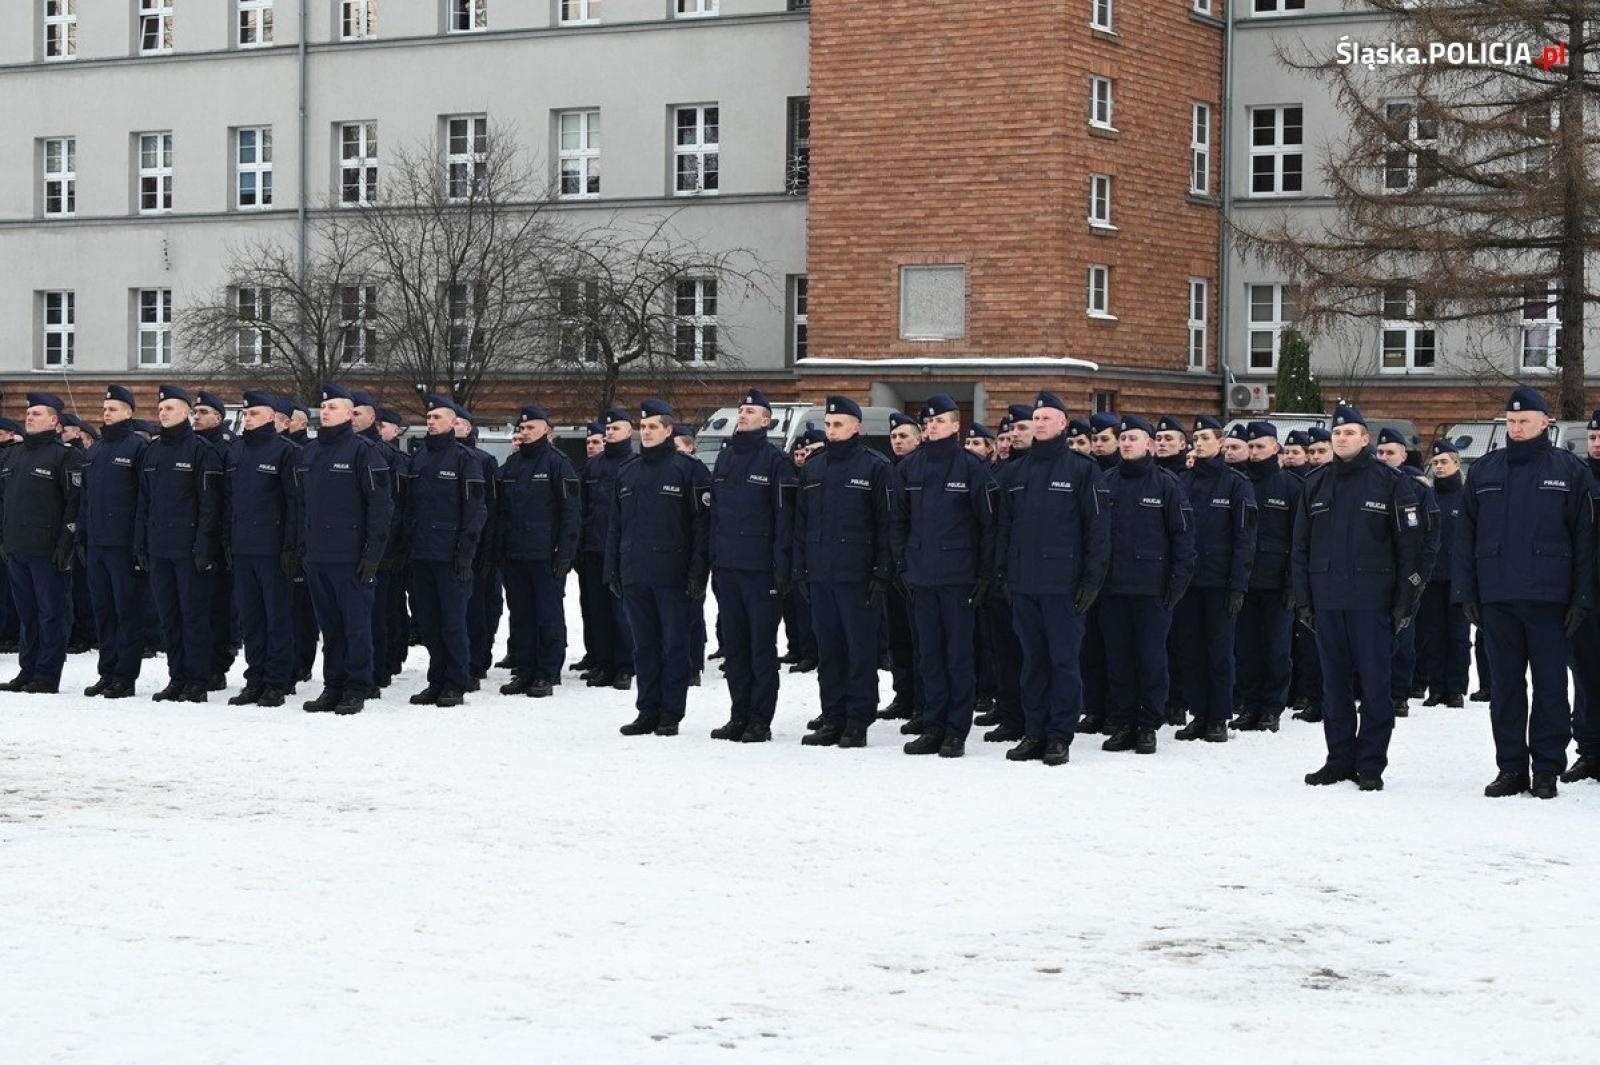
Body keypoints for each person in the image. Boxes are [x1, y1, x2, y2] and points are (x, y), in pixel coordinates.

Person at [1456, 387, 1595, 799]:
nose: (1516, 427)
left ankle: (1546, 769)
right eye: (1511, 421)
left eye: (1524, 421)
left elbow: (1584, 541)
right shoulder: (1484, 470)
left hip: (1550, 601)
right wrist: (1467, 592)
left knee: (1550, 687)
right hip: (1498, 599)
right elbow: (1465, 536)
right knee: (1506, 688)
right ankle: (1511, 767)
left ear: (1544, 422)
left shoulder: (1570, 471)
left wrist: (1581, 598)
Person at [1292, 403, 1422, 791]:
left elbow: (1409, 549)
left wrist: (1404, 602)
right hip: (1328, 602)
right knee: (1334, 688)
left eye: (1350, 433)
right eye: (1337, 433)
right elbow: (1300, 548)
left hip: (1373, 603)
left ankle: (1369, 765)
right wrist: (1304, 601)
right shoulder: (1314, 483)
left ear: (1365, 439)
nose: (1342, 438)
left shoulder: (1391, 482)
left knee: (1376, 688)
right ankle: (1338, 759)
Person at [993, 392, 1111, 764]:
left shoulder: (1082, 469)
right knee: (1032, 663)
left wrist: (1091, 582)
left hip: (1064, 586)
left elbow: (1097, 531)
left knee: (1063, 663)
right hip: (1025, 584)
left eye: (1047, 418)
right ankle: (1034, 731)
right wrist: (1004, 576)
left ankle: (1060, 735)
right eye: (1036, 418)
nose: (1040, 423)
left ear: (1063, 424)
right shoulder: (1015, 471)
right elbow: (1004, 529)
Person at [889, 393, 997, 758]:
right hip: (921, 578)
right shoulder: (909, 468)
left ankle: (956, 729)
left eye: (940, 421)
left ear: (955, 425)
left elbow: (988, 525)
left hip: (959, 579)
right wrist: (904, 565)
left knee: (958, 658)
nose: (932, 426)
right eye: (928, 422)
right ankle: (933, 725)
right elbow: (898, 523)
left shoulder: (971, 468)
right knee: (929, 657)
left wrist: (984, 575)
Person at [607, 398, 711, 737]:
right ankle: (647, 710)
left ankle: (670, 713)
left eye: (653, 426)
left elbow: (702, 528)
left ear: (668, 430)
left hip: (674, 577)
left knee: (674, 646)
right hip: (636, 574)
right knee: (644, 647)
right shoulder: (628, 471)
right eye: (644, 427)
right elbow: (615, 527)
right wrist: (613, 569)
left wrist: (698, 574)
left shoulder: (689, 470)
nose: (646, 432)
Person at [796, 396, 893, 747]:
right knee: (830, 651)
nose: (831, 430)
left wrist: (882, 572)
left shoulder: (875, 467)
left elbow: (887, 524)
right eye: (828, 424)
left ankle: (858, 720)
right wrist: (801, 569)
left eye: (838, 424)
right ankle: (833, 716)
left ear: (857, 427)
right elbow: (801, 524)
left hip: (859, 577)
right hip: (822, 575)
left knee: (859, 652)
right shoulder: (814, 468)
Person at [293, 384, 393, 715]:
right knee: (330, 628)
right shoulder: (309, 452)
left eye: (333, 407)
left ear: (351, 414)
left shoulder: (364, 452)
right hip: (318, 555)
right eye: (323, 407)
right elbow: (302, 506)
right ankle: (333, 685)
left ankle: (357, 687)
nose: (326, 412)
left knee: (356, 626)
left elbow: (380, 507)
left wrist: (372, 555)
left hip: (351, 557)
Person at [1097, 413, 1194, 754]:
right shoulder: (1106, 481)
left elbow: (1183, 539)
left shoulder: (1167, 484)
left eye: (1133, 439)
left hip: (1152, 590)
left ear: (1150, 445)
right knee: (1119, 660)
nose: (1126, 444)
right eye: (1122, 439)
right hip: (1112, 590)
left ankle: (1148, 724)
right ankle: (1124, 722)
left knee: (1151, 661)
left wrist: (1176, 585)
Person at [707, 390, 796, 743]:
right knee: (736, 648)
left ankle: (760, 718)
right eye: (741, 409)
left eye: (751, 411)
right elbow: (716, 516)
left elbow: (784, 520)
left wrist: (780, 568)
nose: (743, 415)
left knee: (761, 648)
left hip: (761, 572)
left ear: (767, 421)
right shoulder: (725, 458)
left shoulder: (776, 461)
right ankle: (738, 713)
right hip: (728, 568)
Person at [136, 385, 223, 703]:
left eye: (170, 408)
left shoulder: (201, 450)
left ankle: (197, 680)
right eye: (160, 409)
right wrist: (141, 544)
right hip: (160, 548)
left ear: (187, 412)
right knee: (169, 617)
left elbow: (209, 505)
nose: (163, 413)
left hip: (189, 550)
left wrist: (204, 547)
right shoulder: (153, 451)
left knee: (194, 617)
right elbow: (143, 503)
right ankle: (177, 677)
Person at [1174, 415, 1257, 742]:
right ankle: (1199, 713)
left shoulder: (1236, 484)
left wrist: (1238, 584)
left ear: (1221, 443)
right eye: (1196, 438)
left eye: (1206, 437)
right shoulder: (1184, 481)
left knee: (1219, 652)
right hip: (1189, 583)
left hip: (1221, 583)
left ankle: (1219, 716)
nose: (1199, 442)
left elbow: (1245, 538)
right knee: (1191, 650)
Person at [402, 396, 486, 708]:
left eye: (438, 417)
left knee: (452, 624)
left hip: (451, 557)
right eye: (429, 417)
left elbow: (475, 510)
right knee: (429, 624)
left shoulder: (465, 459)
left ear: (454, 423)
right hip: (422, 555)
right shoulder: (420, 458)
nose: (431, 421)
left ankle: (455, 682)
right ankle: (436, 680)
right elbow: (410, 508)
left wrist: (466, 552)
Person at [221, 390, 300, 707]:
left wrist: (292, 547)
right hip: (243, 548)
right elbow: (229, 500)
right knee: (251, 620)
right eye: (245, 413)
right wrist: (228, 540)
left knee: (277, 618)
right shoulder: (237, 450)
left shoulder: (286, 452)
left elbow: (295, 504)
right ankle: (255, 679)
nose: (247, 418)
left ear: (271, 417)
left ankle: (277, 681)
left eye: (253, 413)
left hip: (273, 548)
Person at [0, 393, 84, 694]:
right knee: (27, 613)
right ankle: (28, 669)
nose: (29, 417)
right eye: (28, 413)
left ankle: (47, 674)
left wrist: (66, 544)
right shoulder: (11, 455)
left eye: (37, 413)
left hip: (48, 550)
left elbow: (75, 503)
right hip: (17, 547)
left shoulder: (65, 456)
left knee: (51, 613)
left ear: (54, 420)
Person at [495, 403, 580, 699]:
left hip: (546, 556)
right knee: (521, 616)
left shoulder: (557, 463)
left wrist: (565, 554)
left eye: (531, 427)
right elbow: (501, 512)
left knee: (547, 615)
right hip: (515, 555)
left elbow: (571, 513)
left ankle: (546, 672)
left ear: (546, 429)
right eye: (522, 428)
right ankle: (525, 669)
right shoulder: (513, 466)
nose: (526, 432)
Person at [1232, 422, 1302, 732]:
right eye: (1253, 446)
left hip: (1277, 585)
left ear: (1276, 448)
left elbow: (1299, 540)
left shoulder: (1291, 486)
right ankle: (1249, 705)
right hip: (1244, 583)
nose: (1256, 451)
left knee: (1276, 650)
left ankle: (1272, 707)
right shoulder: (1239, 483)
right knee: (1246, 649)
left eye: (1262, 445)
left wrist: (1292, 582)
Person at [79, 386, 148, 699]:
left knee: (126, 612)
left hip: (122, 545)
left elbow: (143, 500)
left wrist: (138, 544)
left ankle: (125, 676)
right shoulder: (94, 450)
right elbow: (85, 499)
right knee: (103, 612)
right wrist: (82, 535)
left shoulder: (137, 448)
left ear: (129, 412)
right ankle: (107, 671)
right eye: (105, 408)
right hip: (97, 544)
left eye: (114, 408)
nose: (107, 413)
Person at [975, 403, 1034, 740]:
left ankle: (1028, 715)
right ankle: (1009, 711)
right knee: (1003, 651)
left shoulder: (1031, 470)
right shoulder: (998, 473)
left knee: (1029, 652)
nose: (1011, 438)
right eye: (1007, 433)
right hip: (998, 576)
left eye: (1018, 431)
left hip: (1027, 576)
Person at [1374, 427, 1439, 717]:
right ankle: (1372, 692)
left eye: (1391, 452)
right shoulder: (1368, 485)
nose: (1385, 457)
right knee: (1371, 638)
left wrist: (1419, 576)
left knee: (1403, 636)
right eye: (1380, 452)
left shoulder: (1419, 490)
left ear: (1403, 456)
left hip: (1405, 576)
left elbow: (1429, 538)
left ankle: (1399, 693)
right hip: (1373, 575)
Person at [578, 409, 635, 690]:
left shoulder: (634, 464)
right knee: (597, 611)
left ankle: (625, 666)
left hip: (622, 551)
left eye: (616, 429)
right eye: (608, 429)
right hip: (594, 548)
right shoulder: (593, 466)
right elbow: (583, 507)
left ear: (629, 433)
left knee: (621, 612)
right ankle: (603, 663)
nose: (610, 433)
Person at [1415, 439, 1469, 709]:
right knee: (1432, 635)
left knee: (1458, 636)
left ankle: (1456, 688)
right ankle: (1436, 688)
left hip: (1459, 578)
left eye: (1444, 462)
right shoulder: (1428, 496)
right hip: (1432, 577)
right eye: (1435, 463)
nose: (1438, 467)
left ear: (1456, 464)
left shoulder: (1467, 496)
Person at [879, 411, 922, 724]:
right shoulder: (886, 470)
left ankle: (922, 701)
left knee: (921, 640)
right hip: (891, 569)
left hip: (917, 568)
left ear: (918, 438)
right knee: (898, 639)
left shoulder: (921, 469)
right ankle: (903, 695)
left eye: (904, 436)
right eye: (894, 437)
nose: (898, 441)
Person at [452, 408, 501, 688]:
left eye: (459, 423)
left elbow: (490, 509)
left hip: (477, 547)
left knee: (477, 608)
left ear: (469, 429)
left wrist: (488, 548)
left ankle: (476, 661)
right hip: (446, 546)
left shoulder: (484, 461)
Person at [1565, 413, 1600, 783]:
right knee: (1586, 676)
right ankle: (1589, 752)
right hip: (1585, 594)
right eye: (1592, 436)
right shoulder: (1579, 479)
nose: (1596, 443)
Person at [571, 421, 606, 676]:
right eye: (589, 443)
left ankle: (617, 660)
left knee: (613, 610)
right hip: (589, 549)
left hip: (611, 550)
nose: (591, 447)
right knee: (590, 606)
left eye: (596, 442)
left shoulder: (623, 468)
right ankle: (594, 653)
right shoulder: (585, 472)